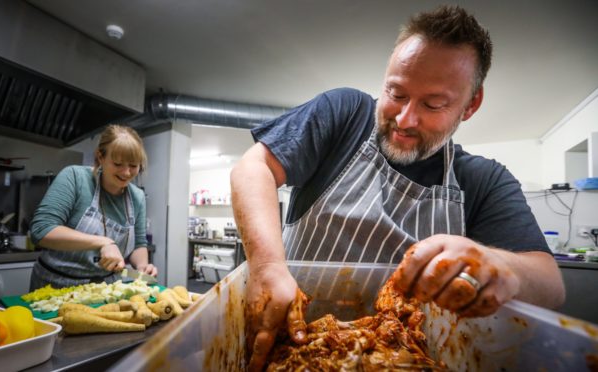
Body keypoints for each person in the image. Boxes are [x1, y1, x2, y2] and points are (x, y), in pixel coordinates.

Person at [230, 5, 565, 371]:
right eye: (397, 93)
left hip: (406, 356)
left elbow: (551, 285)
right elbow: (253, 167)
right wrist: (266, 266)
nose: (405, 119)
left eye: (433, 103)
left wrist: (499, 265)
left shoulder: (483, 180)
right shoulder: (345, 117)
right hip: (293, 342)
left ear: (471, 105)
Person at [29, 124, 157, 290]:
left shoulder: (137, 197)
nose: (126, 173)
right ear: (100, 157)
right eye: (118, 164)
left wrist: (142, 267)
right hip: (55, 286)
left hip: (105, 289)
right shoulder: (75, 177)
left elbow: (139, 244)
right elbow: (41, 230)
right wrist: (103, 242)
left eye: (133, 166)